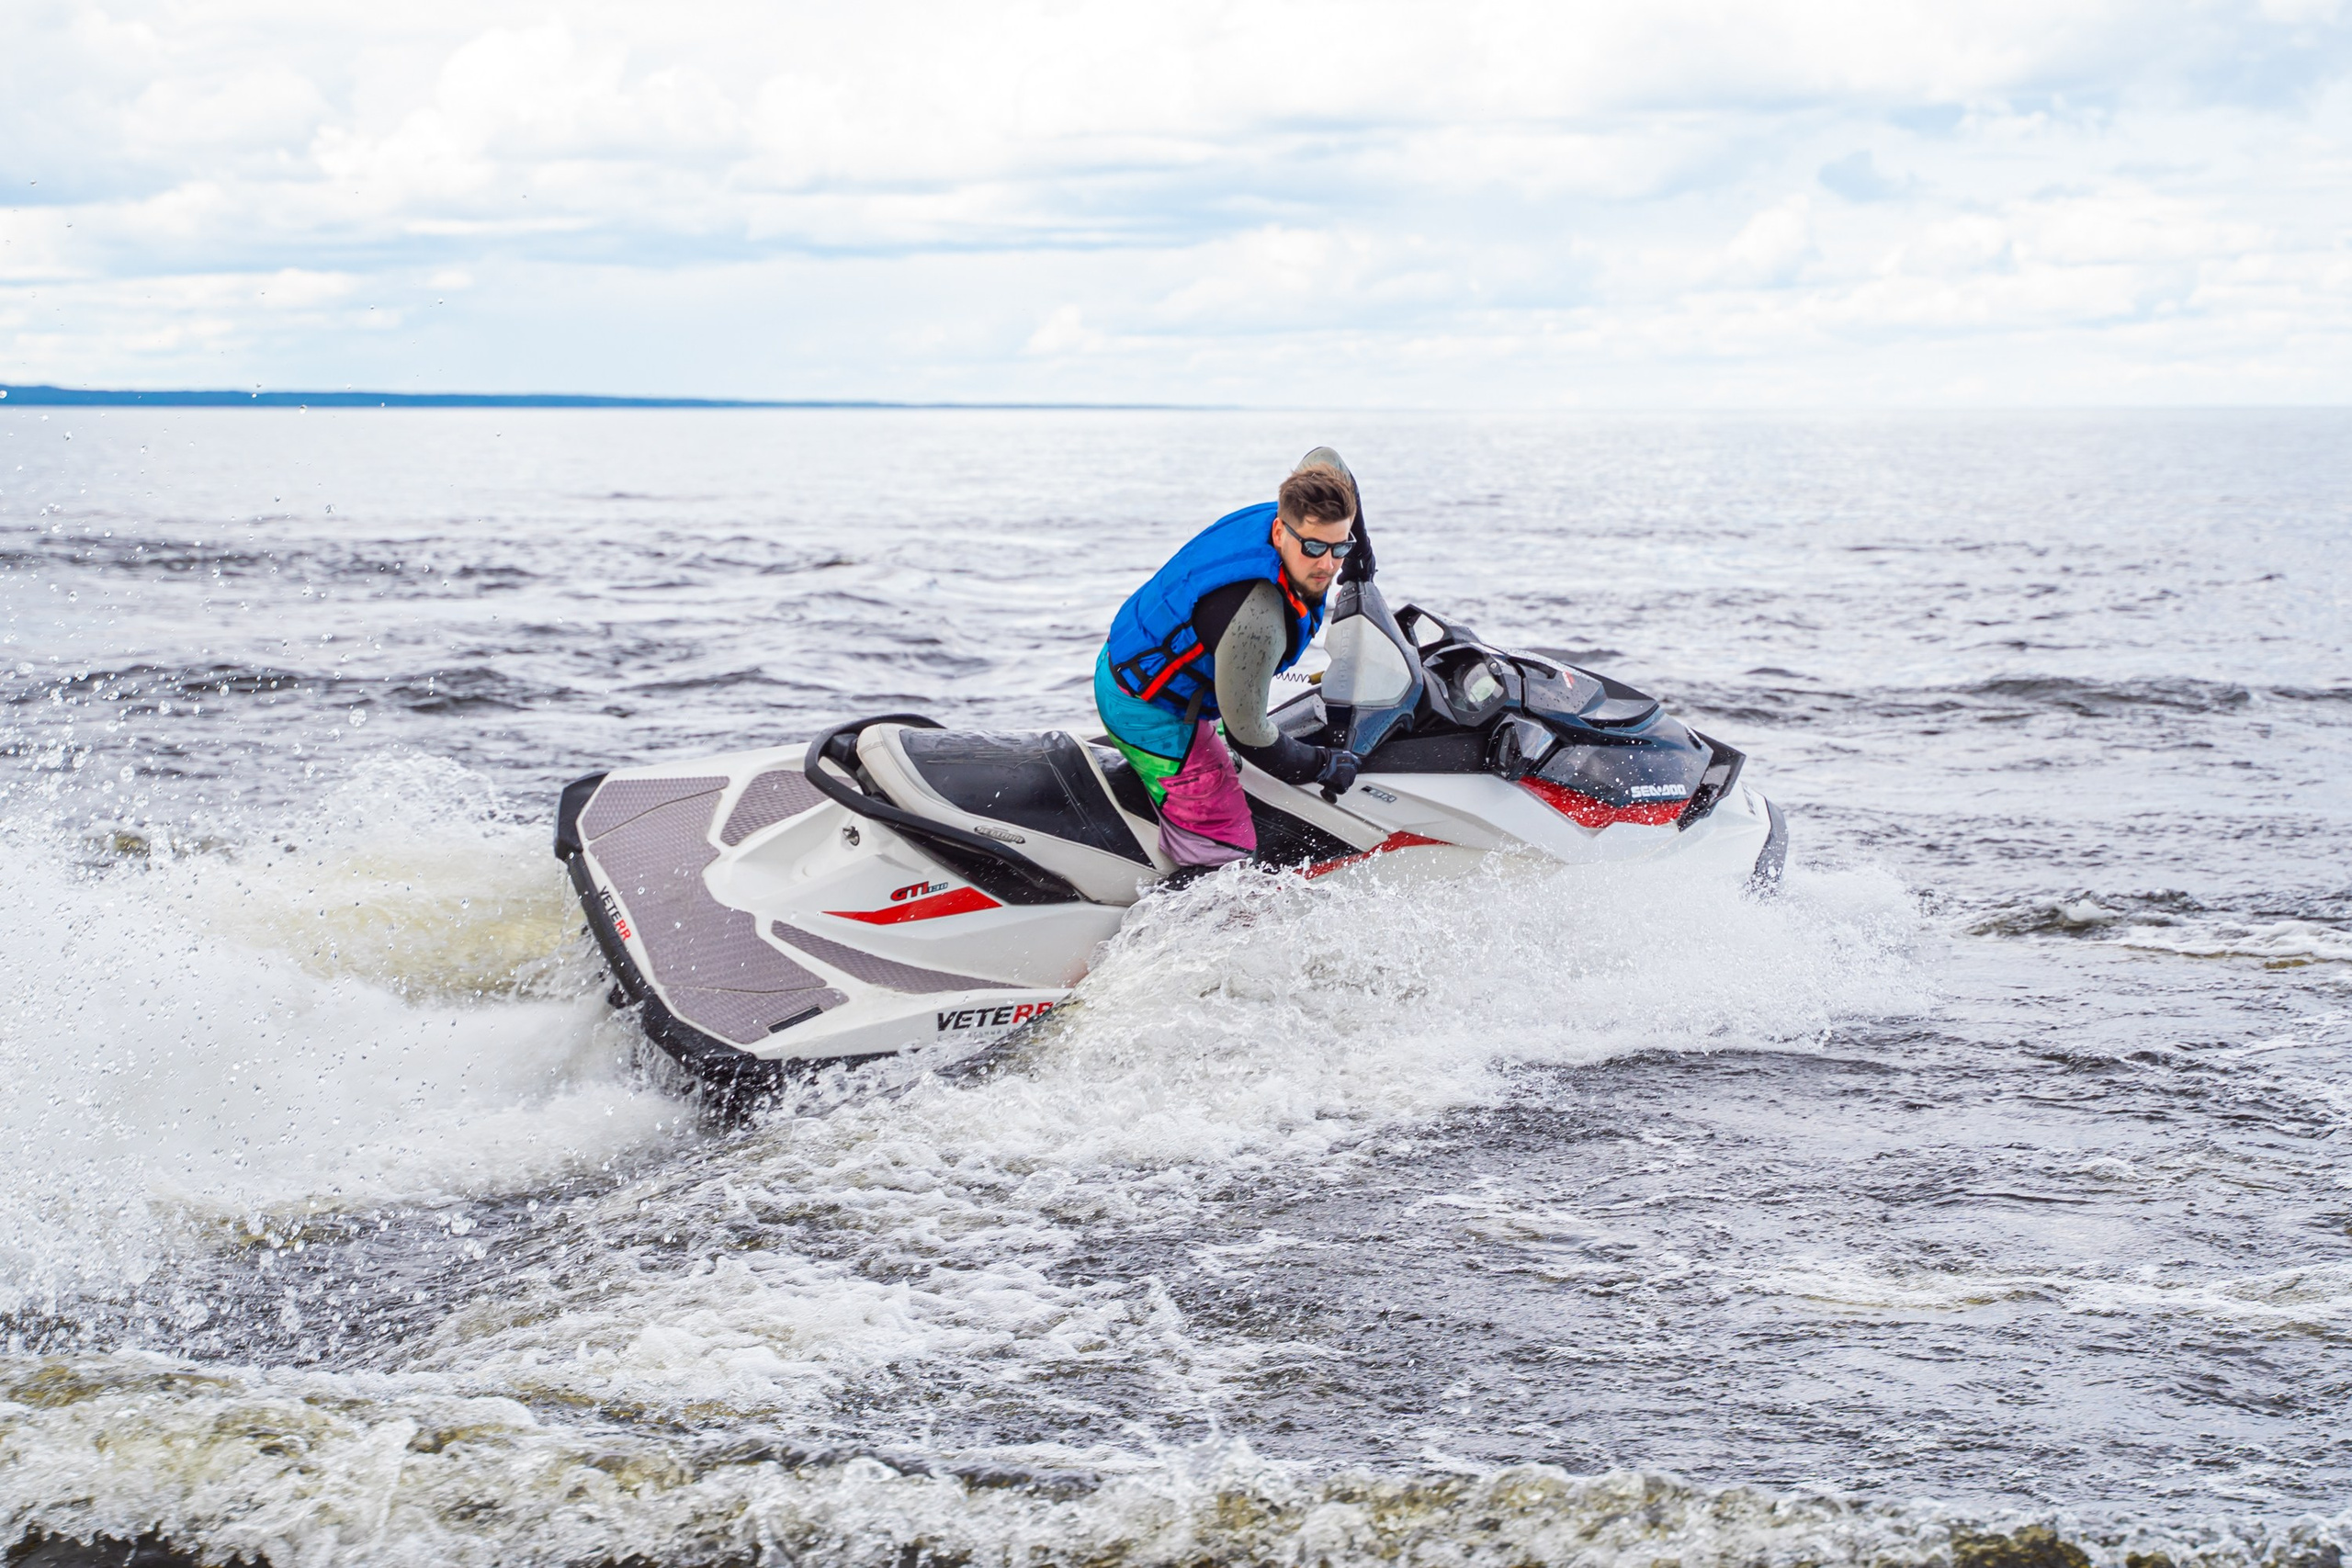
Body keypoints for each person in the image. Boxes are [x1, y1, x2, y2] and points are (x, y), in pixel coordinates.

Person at [1096, 449, 1373, 872]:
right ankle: (1179, 928)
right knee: (1229, 849)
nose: (1328, 564)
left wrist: (1362, 557)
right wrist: (1323, 765)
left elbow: (1327, 456)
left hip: (1150, 654)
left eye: (1340, 546)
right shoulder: (1257, 624)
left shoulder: (1302, 506)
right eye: (1314, 547)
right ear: (1280, 531)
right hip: (1145, 705)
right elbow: (1251, 736)